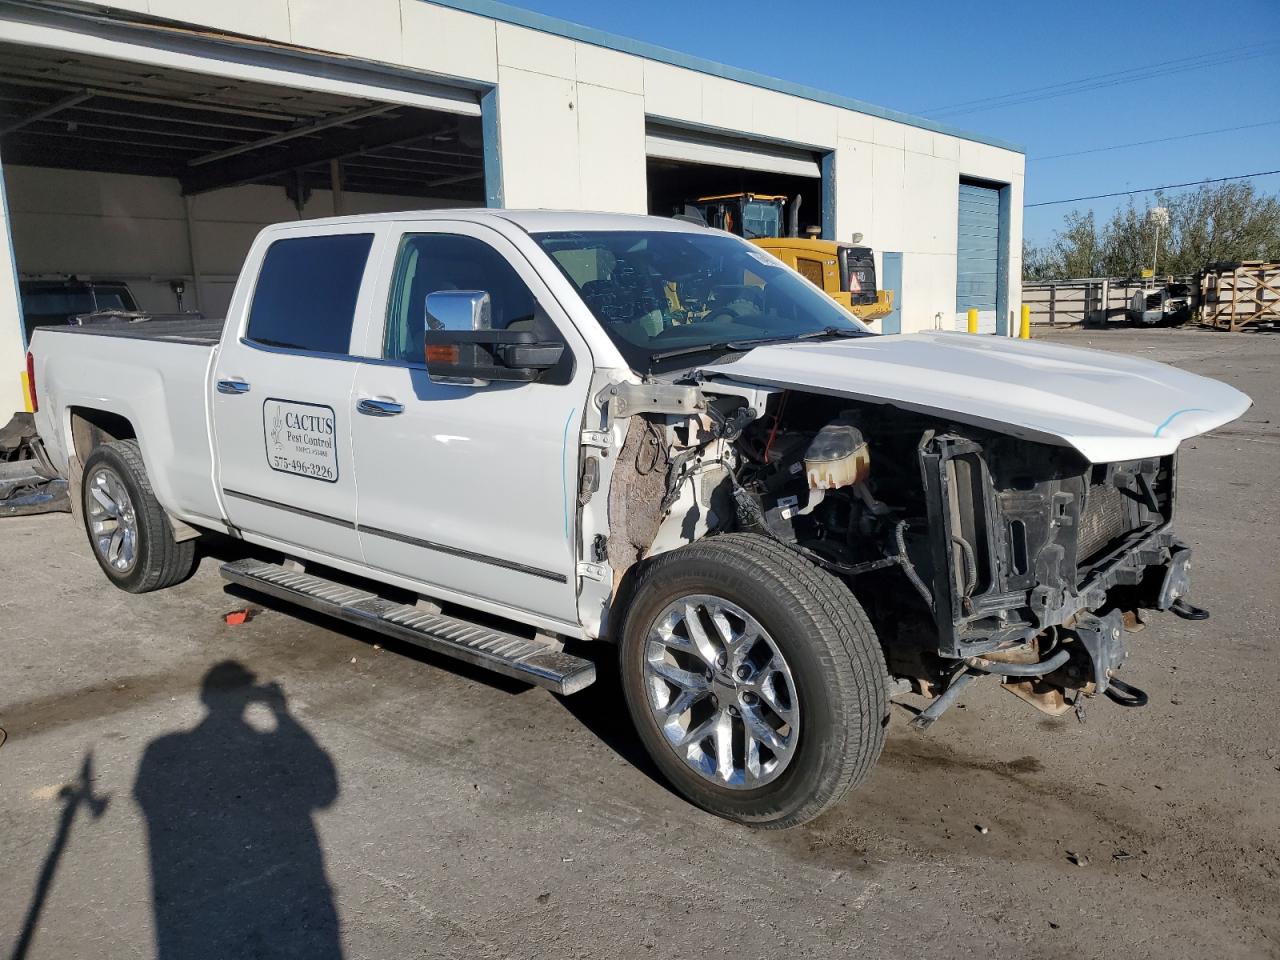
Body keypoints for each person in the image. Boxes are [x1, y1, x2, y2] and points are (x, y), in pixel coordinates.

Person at [134, 661, 342, 959]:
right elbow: (325, 793)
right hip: (280, 889)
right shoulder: (168, 750)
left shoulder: (161, 749)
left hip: (195, 901)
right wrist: (282, 715)